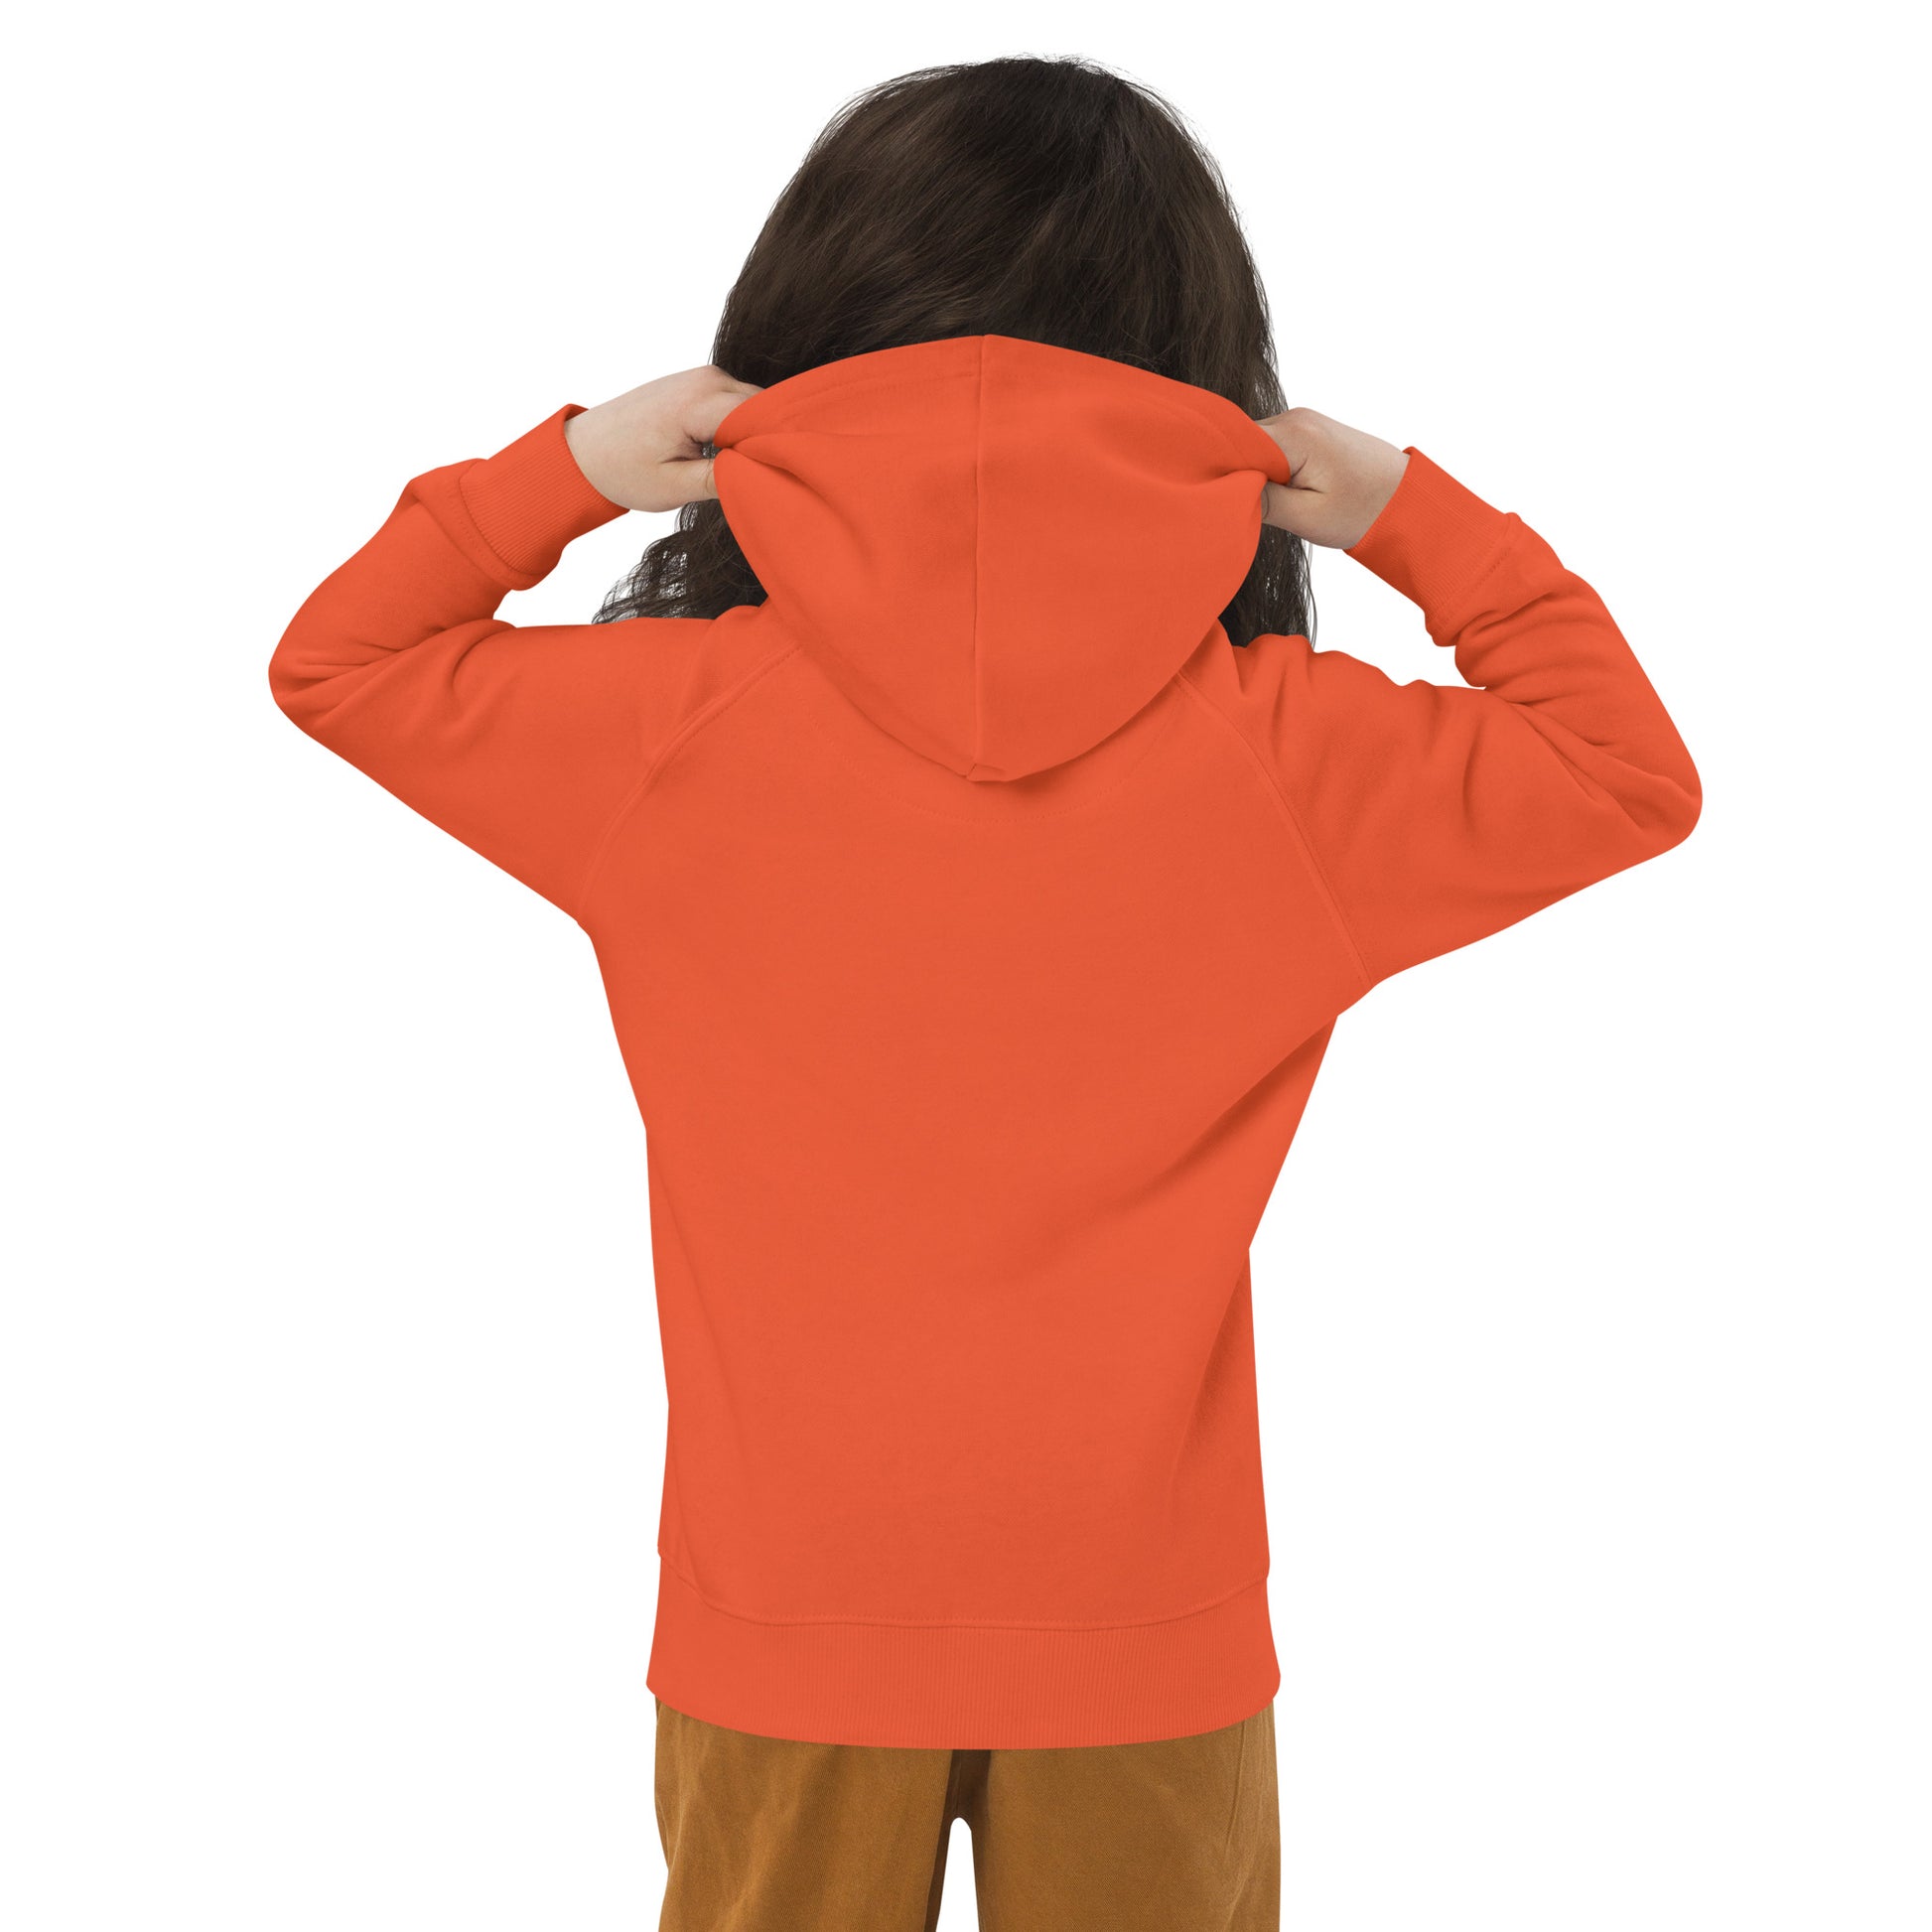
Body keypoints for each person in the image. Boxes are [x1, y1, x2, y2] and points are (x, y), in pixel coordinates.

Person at [270, 54, 1700, 1932]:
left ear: (798, 343)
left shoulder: (666, 733)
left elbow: (342, 663)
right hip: (1142, 1623)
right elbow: (1623, 773)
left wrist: (565, 472)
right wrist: (1407, 515)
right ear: (1200, 372)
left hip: (784, 1612)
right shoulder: (1282, 762)